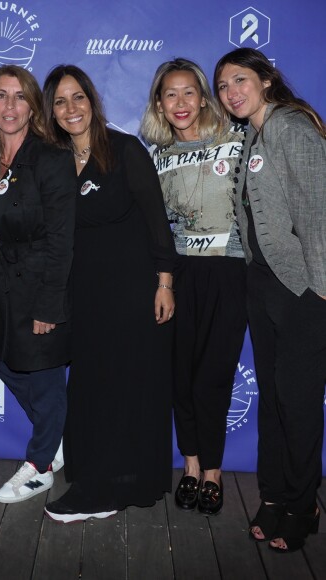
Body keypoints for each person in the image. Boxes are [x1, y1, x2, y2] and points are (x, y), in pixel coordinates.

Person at [41, 65, 176, 523]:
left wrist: (164, 283)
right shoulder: (55, 160)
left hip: (133, 292)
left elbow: (158, 221)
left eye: (78, 97)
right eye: (60, 101)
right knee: (93, 387)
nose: (71, 108)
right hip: (86, 296)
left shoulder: (123, 149)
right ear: (52, 112)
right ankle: (97, 478)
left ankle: (113, 486)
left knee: (129, 386)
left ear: (92, 102)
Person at [214, 47, 326, 552]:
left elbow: (319, 210)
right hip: (263, 286)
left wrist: (322, 286)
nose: (231, 92)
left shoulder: (290, 127)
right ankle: (275, 494)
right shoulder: (251, 134)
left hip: (303, 288)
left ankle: (303, 505)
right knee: (274, 402)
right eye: (223, 86)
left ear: (265, 79)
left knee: (298, 403)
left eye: (240, 80)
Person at [139, 58, 247, 516]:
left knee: (214, 375)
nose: (180, 103)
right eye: (170, 94)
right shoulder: (156, 158)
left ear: (203, 97)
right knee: (181, 375)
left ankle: (214, 471)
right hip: (178, 275)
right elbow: (151, 229)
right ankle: (190, 464)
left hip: (231, 271)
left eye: (189, 92)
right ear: (159, 105)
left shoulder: (238, 142)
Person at [0, 65, 76, 504]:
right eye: (1, 96)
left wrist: (49, 306)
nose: (9, 105)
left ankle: (39, 466)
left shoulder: (52, 158)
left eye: (20, 96)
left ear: (33, 104)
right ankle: (55, 438)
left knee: (44, 376)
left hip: (41, 280)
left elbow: (62, 241)